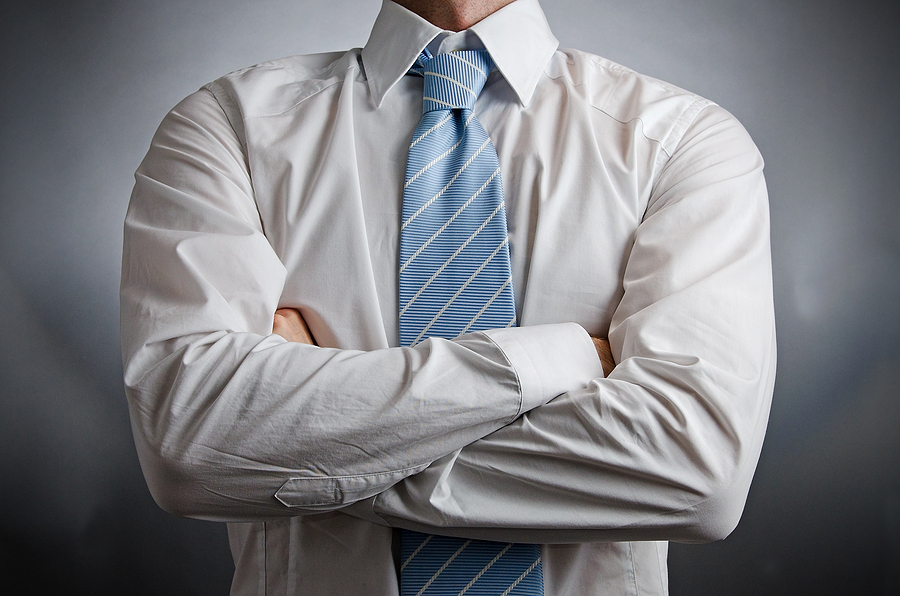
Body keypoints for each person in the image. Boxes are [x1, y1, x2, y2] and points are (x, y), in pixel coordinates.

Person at [120, 0, 776, 594]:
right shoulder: (226, 127)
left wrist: (302, 453)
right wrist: (562, 360)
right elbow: (190, 448)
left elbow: (697, 476)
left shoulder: (683, 142)